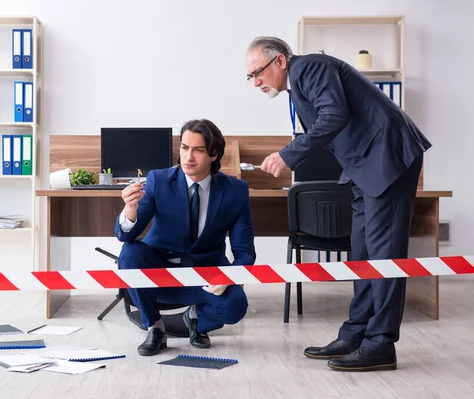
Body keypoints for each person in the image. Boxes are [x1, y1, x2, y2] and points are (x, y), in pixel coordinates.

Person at [245, 36, 432, 371]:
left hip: (385, 156)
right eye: (251, 77)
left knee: (385, 257)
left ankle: (381, 344)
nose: (256, 82)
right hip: (363, 166)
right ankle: (355, 333)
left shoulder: (309, 68)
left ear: (280, 62)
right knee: (361, 253)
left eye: (258, 72)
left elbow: (334, 115)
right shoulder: (298, 84)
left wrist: (289, 155)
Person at [115, 118, 256, 356]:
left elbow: (245, 250)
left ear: (213, 154)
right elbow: (125, 235)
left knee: (235, 306)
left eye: (198, 150)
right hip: (160, 272)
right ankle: (155, 328)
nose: (188, 157)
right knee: (130, 253)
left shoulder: (236, 190)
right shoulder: (159, 180)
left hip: (205, 276)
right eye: (184, 148)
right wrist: (129, 210)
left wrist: (229, 276)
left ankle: (195, 320)